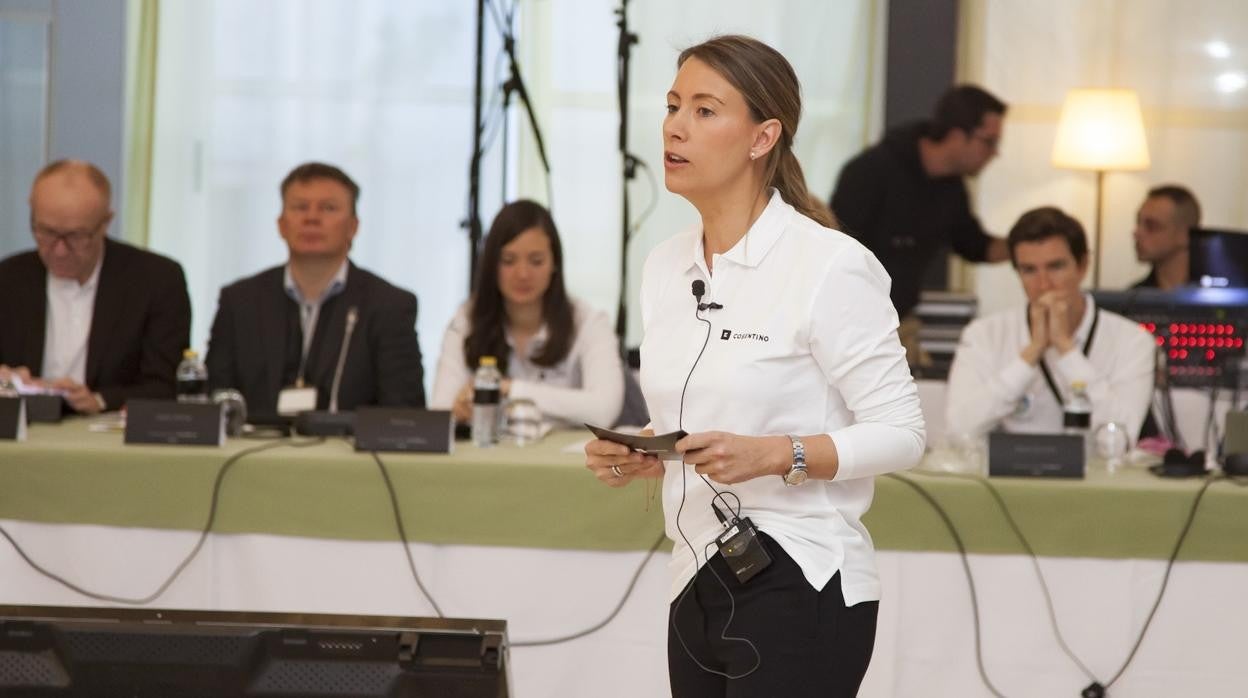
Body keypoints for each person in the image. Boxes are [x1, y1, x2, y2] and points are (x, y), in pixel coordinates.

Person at [583, 36, 925, 697]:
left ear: (762, 136)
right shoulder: (664, 265)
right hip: (694, 574)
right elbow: (695, 412)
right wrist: (642, 451)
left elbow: (903, 433)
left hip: (801, 575)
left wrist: (776, 454)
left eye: (706, 111)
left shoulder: (829, 264)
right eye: (673, 105)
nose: (675, 126)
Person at [205, 162, 425, 417]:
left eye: (328, 208)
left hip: (350, 454)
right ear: (281, 224)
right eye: (300, 207)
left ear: (353, 227)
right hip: (253, 452)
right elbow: (215, 399)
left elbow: (404, 414)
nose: (311, 218)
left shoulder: (389, 306)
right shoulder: (240, 302)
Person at [830, 85, 1011, 365]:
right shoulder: (869, 172)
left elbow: (974, 245)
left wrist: (1026, 244)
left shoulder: (952, 186)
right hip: (849, 330)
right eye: (989, 142)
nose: (995, 153)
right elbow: (836, 251)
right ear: (955, 135)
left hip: (899, 327)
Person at [0, 160, 190, 413]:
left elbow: (165, 385)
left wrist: (100, 400)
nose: (59, 250)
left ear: (105, 223)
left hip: (111, 440)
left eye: (75, 236)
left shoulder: (156, 280)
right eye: (45, 232)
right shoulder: (8, 278)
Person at [946, 207, 1155, 438]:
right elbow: (958, 430)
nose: (1043, 284)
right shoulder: (984, 334)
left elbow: (1123, 435)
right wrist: (1030, 356)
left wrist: (1066, 349)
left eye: (1056, 267)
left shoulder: (1132, 340)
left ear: (1083, 265)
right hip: (1004, 472)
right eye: (1029, 270)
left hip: (1096, 470)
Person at [430, 200, 624, 428]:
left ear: (554, 263)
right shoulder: (466, 321)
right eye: (508, 260)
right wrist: (459, 411)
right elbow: (439, 413)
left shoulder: (589, 322)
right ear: (492, 264)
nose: (522, 274)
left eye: (536, 261)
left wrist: (510, 389)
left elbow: (604, 409)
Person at [1132, 184, 1200, 290]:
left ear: (1185, 235)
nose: (1137, 233)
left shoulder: (1217, 297)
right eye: (1138, 222)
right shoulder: (1132, 300)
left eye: (1151, 226)